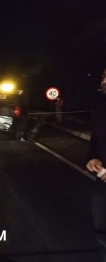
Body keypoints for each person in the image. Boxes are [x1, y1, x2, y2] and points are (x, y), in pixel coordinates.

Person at [87, 67, 106, 261]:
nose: (104, 80)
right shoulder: (101, 108)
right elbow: (95, 141)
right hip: (102, 185)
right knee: (101, 234)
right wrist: (91, 158)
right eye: (103, 76)